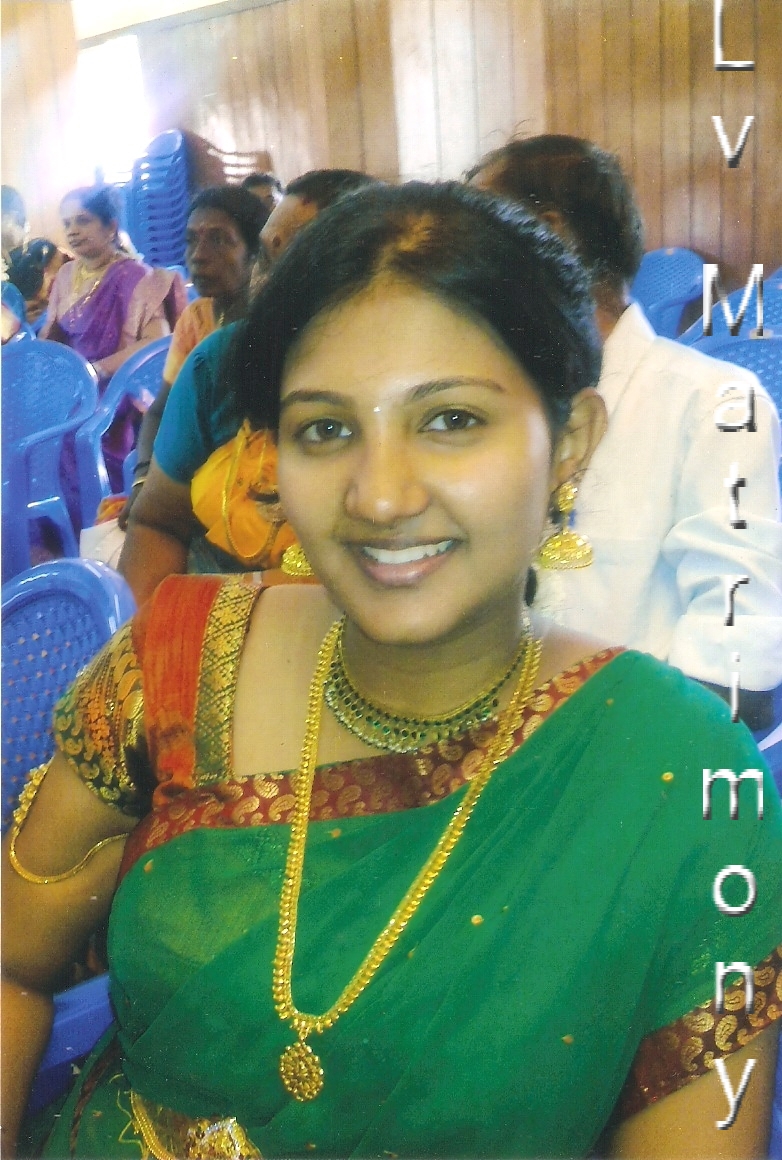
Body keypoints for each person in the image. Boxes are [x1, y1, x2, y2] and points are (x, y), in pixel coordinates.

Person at [3, 182, 780, 1160]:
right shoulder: (175, 664)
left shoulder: (679, 783)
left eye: (450, 419)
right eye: (325, 429)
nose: (379, 495)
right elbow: (12, 962)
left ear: (569, 446)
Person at [468, 136, 782, 729]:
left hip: (637, 747)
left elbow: (738, 666)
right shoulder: (495, 399)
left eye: (473, 238)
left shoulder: (712, 402)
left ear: (550, 236)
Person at [118, 169, 378, 605]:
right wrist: (152, 634)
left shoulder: (412, 377)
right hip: (227, 610)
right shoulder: (220, 362)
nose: (266, 282)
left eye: (299, 261)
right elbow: (157, 524)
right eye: (267, 257)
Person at [116, 186, 269, 529]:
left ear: (254, 253)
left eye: (219, 240)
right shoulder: (196, 319)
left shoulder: (271, 324)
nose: (198, 255)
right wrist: (143, 481)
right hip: (193, 484)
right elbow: (159, 411)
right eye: (191, 241)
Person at [39, 184, 186, 505]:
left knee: (70, 438)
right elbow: (52, 338)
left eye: (83, 221)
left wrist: (98, 371)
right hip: (74, 388)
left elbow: (157, 341)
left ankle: (94, 520)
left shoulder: (135, 276)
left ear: (110, 227)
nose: (73, 231)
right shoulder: (65, 275)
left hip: (118, 391)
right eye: (67, 223)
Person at [2, 185, 71, 326]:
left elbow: (64, 301)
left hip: (45, 331)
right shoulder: (5, 260)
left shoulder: (44, 252)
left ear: (10, 217)